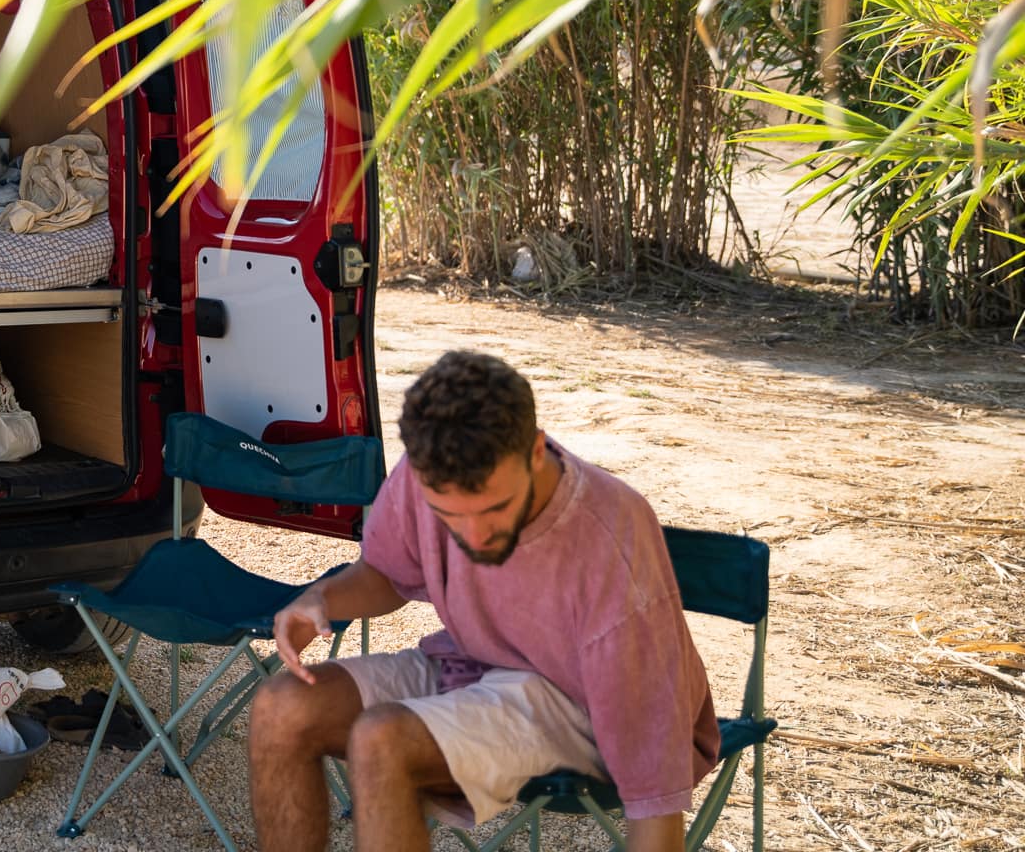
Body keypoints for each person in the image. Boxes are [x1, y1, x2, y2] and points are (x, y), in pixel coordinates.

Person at [249, 350, 717, 852]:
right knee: (281, 707)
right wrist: (321, 598)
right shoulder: (429, 467)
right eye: (450, 516)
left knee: (382, 740)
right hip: (471, 664)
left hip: (582, 701)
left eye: (493, 509)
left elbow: (652, 768)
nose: (472, 536)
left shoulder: (610, 538)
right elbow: (387, 574)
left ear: (536, 452)